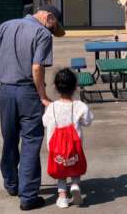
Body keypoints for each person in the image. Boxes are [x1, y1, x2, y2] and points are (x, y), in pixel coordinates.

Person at [0, 5, 65, 211]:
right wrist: (43, 96)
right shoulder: (42, 33)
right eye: (54, 26)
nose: (52, 32)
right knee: (31, 142)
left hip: (5, 92)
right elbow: (37, 67)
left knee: (10, 139)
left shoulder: (6, 25)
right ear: (49, 18)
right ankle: (28, 196)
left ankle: (12, 184)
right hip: (28, 94)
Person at [42, 68, 93, 208]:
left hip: (56, 146)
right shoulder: (79, 106)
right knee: (75, 165)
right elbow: (88, 121)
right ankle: (75, 185)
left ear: (56, 87)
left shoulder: (51, 107)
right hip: (74, 145)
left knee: (61, 170)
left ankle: (62, 197)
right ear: (75, 87)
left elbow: (45, 122)